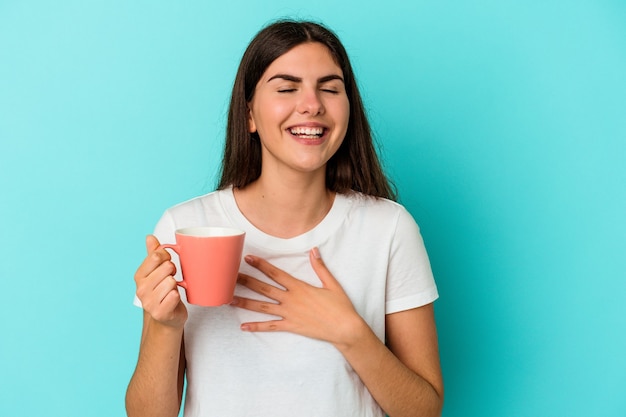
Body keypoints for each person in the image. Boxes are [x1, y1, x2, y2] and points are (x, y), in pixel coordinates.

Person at [126, 19, 443, 417]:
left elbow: (425, 410)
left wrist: (350, 333)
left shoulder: (389, 228)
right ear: (249, 116)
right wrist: (164, 326)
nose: (312, 104)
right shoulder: (185, 225)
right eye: (287, 88)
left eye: (330, 88)